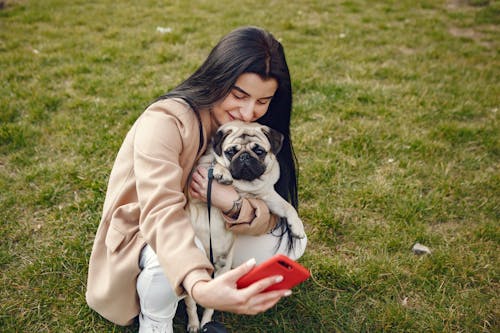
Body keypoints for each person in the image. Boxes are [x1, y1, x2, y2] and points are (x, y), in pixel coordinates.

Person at [86, 26, 307, 333]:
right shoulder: (165, 121)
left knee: (283, 242)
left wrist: (230, 203)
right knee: (173, 254)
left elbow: (266, 208)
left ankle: (201, 283)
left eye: (263, 100)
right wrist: (201, 287)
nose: (248, 112)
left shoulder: (253, 131)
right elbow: (161, 213)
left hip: (209, 224)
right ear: (217, 77)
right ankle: (157, 319)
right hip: (146, 234)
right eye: (238, 94)